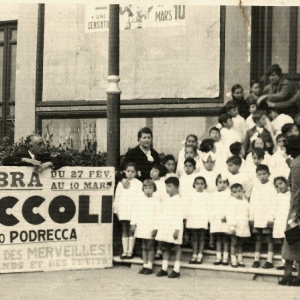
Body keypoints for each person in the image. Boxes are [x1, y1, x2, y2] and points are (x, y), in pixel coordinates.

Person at [279, 135, 300, 286]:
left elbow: (296, 189)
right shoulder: (295, 163)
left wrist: (295, 211)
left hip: (296, 208)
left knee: (291, 239)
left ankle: (287, 274)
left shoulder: (296, 164)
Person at [152, 176, 183, 278]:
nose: (167, 188)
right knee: (167, 247)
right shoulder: (166, 200)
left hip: (175, 227)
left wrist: (177, 229)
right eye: (166, 186)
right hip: (166, 227)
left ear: (176, 187)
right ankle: (164, 268)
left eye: (170, 186)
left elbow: (179, 216)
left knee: (177, 247)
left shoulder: (178, 200)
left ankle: (176, 269)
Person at [249, 164, 277, 269]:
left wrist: (271, 218)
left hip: (267, 217)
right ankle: (256, 259)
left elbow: (274, 203)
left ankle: (269, 260)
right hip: (258, 216)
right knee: (258, 238)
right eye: (260, 174)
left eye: (264, 174)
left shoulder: (271, 187)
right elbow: (252, 202)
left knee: (269, 238)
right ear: (257, 175)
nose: (262, 176)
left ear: (269, 174)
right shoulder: (256, 187)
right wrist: (251, 217)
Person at [113, 162, 143, 259]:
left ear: (136, 173)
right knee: (124, 229)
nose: (130, 173)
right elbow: (117, 197)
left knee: (132, 230)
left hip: (133, 210)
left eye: (132, 171)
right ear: (124, 172)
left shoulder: (139, 184)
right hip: (123, 210)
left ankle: (130, 251)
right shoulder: (121, 183)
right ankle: (125, 251)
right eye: (128, 171)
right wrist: (116, 209)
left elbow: (139, 198)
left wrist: (138, 211)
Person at [130, 179, 159, 275]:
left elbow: (158, 215)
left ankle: (150, 266)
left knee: (150, 246)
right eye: (146, 188)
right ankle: (145, 264)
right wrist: (133, 224)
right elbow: (135, 212)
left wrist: (156, 227)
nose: (148, 190)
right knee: (144, 246)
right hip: (142, 225)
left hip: (151, 226)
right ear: (143, 189)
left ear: (154, 189)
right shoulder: (140, 200)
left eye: (150, 188)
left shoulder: (156, 201)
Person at [186, 176, 210, 264]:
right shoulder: (191, 194)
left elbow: (209, 207)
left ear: (205, 185)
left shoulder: (207, 195)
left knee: (202, 237)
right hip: (193, 218)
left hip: (203, 218)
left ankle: (200, 254)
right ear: (194, 185)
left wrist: (209, 218)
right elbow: (187, 206)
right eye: (197, 184)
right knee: (195, 238)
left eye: (202, 184)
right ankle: (194, 254)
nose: (199, 186)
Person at [227, 183, 250, 268]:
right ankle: (233, 260)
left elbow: (248, 211)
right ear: (232, 194)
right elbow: (230, 214)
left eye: (239, 191)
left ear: (243, 191)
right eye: (235, 192)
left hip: (243, 225)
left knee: (240, 243)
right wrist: (232, 226)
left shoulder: (245, 201)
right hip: (235, 226)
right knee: (234, 243)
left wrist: (250, 218)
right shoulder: (232, 202)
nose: (238, 193)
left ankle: (240, 259)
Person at [210, 174, 231, 265]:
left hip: (225, 218)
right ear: (216, 183)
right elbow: (211, 206)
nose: (222, 184)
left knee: (225, 238)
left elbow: (230, 206)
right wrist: (212, 217)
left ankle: (225, 258)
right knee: (218, 238)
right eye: (220, 182)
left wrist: (227, 216)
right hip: (216, 218)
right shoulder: (214, 194)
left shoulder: (229, 193)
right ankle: (218, 257)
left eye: (224, 182)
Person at [272, 177, 291, 271]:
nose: (279, 186)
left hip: (289, 221)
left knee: (291, 241)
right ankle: (284, 262)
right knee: (282, 242)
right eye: (276, 185)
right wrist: (272, 218)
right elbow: (274, 209)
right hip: (280, 221)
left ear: (286, 183)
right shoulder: (277, 196)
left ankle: (293, 263)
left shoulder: (291, 195)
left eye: (281, 183)